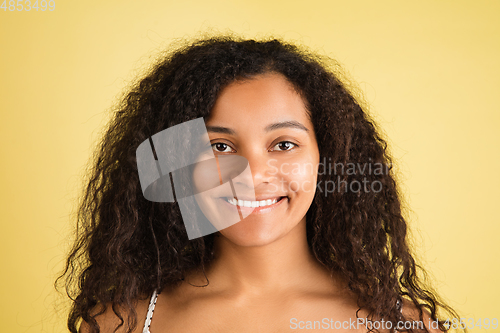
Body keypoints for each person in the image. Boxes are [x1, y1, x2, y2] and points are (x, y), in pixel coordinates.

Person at [57, 35, 461, 333]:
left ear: (328, 158)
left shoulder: (402, 326)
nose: (250, 173)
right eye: (219, 146)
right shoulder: (119, 323)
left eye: (283, 144)